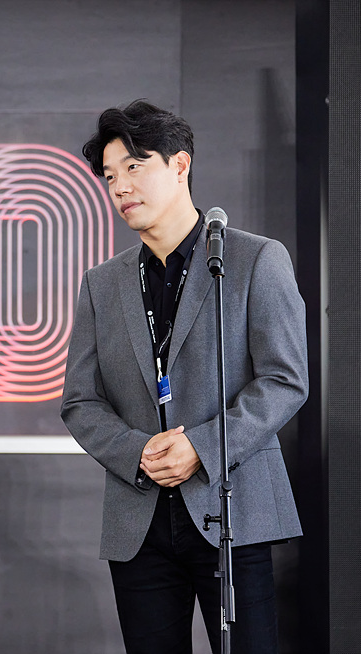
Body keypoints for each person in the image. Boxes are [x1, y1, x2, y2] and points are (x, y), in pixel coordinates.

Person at [60, 100, 308, 654]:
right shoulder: (102, 283)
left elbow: (285, 379)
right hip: (139, 519)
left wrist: (200, 446)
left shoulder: (254, 259)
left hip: (232, 508)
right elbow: (80, 401)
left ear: (180, 165)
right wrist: (137, 451)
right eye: (109, 176)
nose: (121, 187)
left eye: (134, 166)